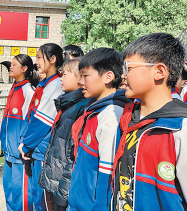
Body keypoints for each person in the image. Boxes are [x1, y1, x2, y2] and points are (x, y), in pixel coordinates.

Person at [111, 33, 187, 211]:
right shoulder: (127, 118)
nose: (123, 76)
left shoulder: (179, 129)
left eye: (128, 68)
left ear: (159, 72)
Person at [67, 48, 130, 211]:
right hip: (78, 200)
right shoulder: (94, 109)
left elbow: (107, 173)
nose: (80, 82)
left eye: (85, 76)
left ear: (108, 77)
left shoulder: (111, 114)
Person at [39, 58, 90, 211]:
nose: (61, 79)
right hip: (55, 178)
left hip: (62, 185)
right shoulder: (67, 105)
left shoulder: (80, 108)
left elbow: (72, 155)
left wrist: (63, 191)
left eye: (65, 74)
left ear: (80, 78)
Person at [18, 43, 63, 210]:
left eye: (39, 57)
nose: (36, 62)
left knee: (43, 199)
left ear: (52, 59)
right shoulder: (45, 84)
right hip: (36, 149)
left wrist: (26, 143)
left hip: (43, 149)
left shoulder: (55, 85)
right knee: (36, 195)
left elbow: (42, 121)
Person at [1, 54, 38, 211]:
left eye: (14, 64)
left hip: (19, 154)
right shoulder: (14, 88)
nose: (10, 66)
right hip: (8, 152)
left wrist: (24, 144)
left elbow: (31, 121)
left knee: (21, 196)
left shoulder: (28, 90)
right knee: (8, 191)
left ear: (24, 69)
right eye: (11, 64)